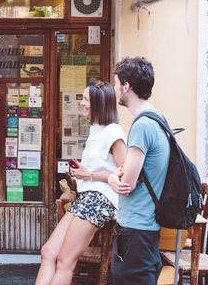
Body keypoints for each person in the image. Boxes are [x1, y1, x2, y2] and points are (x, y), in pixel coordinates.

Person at [36, 81, 126, 285]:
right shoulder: (96, 128)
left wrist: (90, 175)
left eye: (86, 99)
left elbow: (125, 173)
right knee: (48, 251)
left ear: (99, 103)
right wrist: (84, 175)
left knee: (65, 261)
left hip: (100, 199)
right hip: (87, 197)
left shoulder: (114, 132)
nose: (82, 103)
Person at [108, 57, 170, 284]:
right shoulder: (158, 119)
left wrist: (115, 175)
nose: (115, 89)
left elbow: (127, 184)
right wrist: (117, 172)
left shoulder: (142, 125)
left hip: (135, 229)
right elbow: (129, 168)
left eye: (116, 84)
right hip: (147, 228)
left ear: (127, 87)